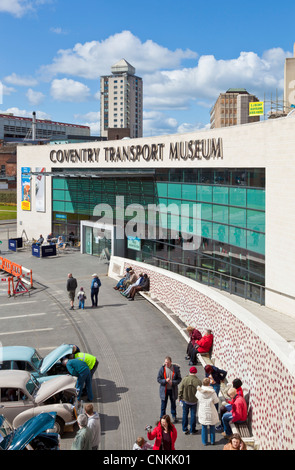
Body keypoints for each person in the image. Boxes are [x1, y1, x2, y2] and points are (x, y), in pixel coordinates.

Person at [178, 366, 202, 435]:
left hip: (185, 400)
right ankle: (192, 430)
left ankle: (184, 429)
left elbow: (180, 389)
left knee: (185, 414)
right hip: (194, 401)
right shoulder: (198, 381)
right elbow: (200, 391)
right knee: (193, 415)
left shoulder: (185, 379)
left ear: (189, 372)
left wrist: (180, 398)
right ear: (195, 372)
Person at [157, 356, 182, 422]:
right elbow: (158, 379)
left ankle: (174, 416)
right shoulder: (162, 369)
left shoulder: (176, 369)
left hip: (172, 390)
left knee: (173, 404)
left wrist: (173, 382)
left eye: (168, 363)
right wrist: (165, 380)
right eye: (165, 363)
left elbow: (179, 379)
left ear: (171, 362)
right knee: (163, 405)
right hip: (164, 391)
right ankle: (162, 418)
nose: (166, 364)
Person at [196, 378, 219, 446]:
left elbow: (197, 397)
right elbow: (216, 401)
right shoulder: (212, 392)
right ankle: (212, 441)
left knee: (204, 426)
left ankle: (204, 442)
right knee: (212, 426)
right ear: (209, 383)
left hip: (203, 410)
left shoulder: (199, 391)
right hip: (211, 410)